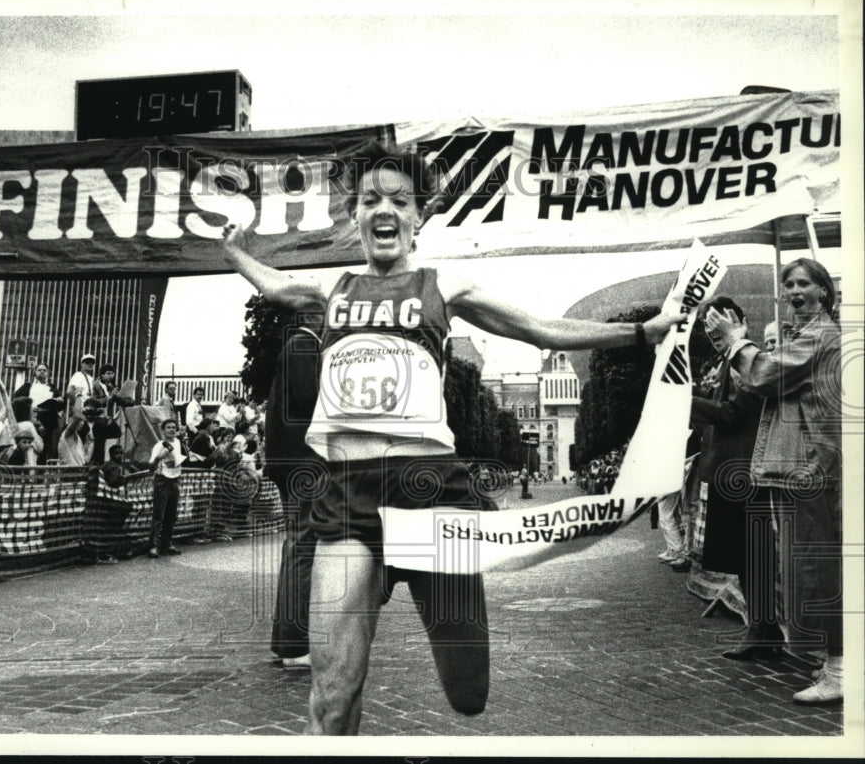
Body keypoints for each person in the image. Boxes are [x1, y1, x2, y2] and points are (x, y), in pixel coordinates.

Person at [219, 141, 684, 734]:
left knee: (468, 693)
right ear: (354, 215)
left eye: (399, 201)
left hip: (431, 495)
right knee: (330, 697)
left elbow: (539, 328)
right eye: (370, 200)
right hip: (345, 499)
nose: (384, 210)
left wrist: (640, 333)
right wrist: (235, 251)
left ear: (418, 217)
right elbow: (280, 287)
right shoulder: (335, 287)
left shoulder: (444, 286)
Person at [705, 257, 843, 705]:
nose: (795, 291)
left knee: (816, 571)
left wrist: (735, 342)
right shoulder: (806, 337)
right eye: (790, 285)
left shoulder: (819, 336)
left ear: (824, 291)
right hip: (799, 468)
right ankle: (834, 664)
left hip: (808, 469)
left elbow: (764, 375)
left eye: (805, 283)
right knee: (807, 569)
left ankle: (839, 670)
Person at [691, 297, 773, 654]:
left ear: (739, 321)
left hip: (741, 471)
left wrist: (686, 401)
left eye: (718, 326)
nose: (714, 334)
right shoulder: (729, 362)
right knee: (744, 556)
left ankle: (762, 631)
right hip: (731, 470)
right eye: (708, 330)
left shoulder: (743, 361)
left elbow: (733, 413)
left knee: (750, 556)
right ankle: (762, 630)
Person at [265, 306, 325, 671]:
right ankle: (294, 644)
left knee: (297, 548)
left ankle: (285, 640)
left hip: (291, 461)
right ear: (315, 316)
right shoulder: (305, 346)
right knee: (304, 549)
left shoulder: (296, 346)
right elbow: (314, 405)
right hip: (305, 462)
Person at [148, 418, 186, 558]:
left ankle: (166, 543)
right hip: (162, 480)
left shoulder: (179, 443)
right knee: (159, 515)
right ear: (163, 430)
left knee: (171, 515)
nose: (171, 430)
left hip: (174, 480)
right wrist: (159, 457)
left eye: (174, 427)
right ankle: (153, 545)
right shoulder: (159, 445)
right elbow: (150, 466)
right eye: (168, 427)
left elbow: (182, 460)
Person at [14, 363, 63, 459]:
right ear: (34, 372)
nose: (42, 372)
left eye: (44, 370)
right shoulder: (27, 386)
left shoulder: (52, 388)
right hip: (30, 418)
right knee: (30, 443)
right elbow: (17, 400)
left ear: (48, 373)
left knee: (46, 445)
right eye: (39, 370)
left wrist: (59, 400)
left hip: (48, 419)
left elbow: (60, 406)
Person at [57, 397, 121, 467]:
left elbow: (117, 433)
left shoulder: (101, 425)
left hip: (96, 462)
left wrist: (107, 418)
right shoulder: (79, 424)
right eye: (88, 409)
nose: (90, 412)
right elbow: (67, 432)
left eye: (93, 410)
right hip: (79, 463)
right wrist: (80, 415)